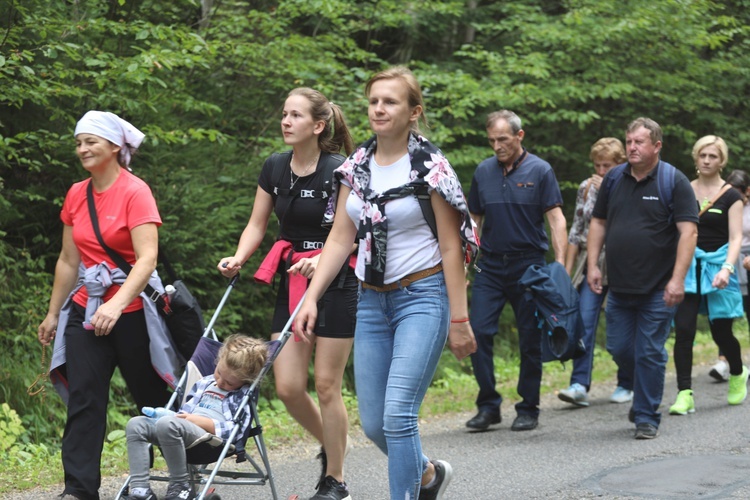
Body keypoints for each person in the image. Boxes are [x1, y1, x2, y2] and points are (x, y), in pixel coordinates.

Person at [294, 66, 477, 500]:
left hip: (423, 296)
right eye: (374, 100)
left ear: (414, 112)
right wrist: (311, 297)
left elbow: (452, 249)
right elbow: (340, 236)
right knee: (375, 423)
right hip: (371, 300)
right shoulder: (356, 166)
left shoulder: (430, 168)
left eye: (390, 101)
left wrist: (459, 318)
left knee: (398, 418)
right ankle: (428, 476)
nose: (379, 108)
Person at [217, 88, 356, 500]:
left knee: (327, 385)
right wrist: (239, 256)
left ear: (318, 125)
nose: (286, 121)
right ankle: (335, 446)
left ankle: (335, 479)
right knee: (289, 386)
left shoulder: (341, 168)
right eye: (284, 114)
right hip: (292, 282)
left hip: (337, 282)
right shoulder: (275, 167)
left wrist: (322, 258)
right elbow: (257, 224)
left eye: (295, 115)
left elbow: (353, 233)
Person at [38, 111, 181, 500]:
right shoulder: (76, 193)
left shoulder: (136, 192)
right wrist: (54, 313)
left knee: (153, 400)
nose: (82, 149)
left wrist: (117, 305)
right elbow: (69, 261)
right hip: (86, 310)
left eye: (91, 141)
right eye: (79, 142)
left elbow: (146, 259)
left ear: (115, 147)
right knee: (84, 397)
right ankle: (79, 490)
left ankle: (186, 480)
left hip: (133, 314)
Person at [587, 117, 698, 439]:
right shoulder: (613, 179)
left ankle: (647, 415)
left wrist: (677, 280)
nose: (632, 147)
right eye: (629, 141)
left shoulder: (673, 181)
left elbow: (688, 232)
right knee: (620, 348)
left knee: (649, 351)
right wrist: (594, 265)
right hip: (619, 286)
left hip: (658, 288)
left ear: (657, 146)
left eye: (639, 142)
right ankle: (644, 397)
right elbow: (598, 222)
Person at [466, 110, 567, 432]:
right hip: (491, 266)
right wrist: (465, 263)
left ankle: (528, 407)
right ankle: (488, 406)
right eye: (492, 140)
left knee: (529, 338)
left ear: (519, 136)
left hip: (529, 265)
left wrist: (560, 267)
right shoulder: (483, 172)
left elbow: (556, 219)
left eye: (503, 139)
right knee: (478, 333)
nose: (497, 146)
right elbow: (473, 221)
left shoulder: (541, 170)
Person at [123, 334, 268, 500]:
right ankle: (140, 490)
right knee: (136, 424)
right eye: (219, 373)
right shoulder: (204, 383)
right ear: (218, 360)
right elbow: (185, 412)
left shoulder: (242, 396)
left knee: (168, 424)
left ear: (246, 381)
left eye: (229, 383)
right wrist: (175, 417)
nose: (220, 383)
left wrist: (196, 421)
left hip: (210, 440)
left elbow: (233, 432)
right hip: (180, 431)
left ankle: (180, 486)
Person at [669, 136, 748, 415]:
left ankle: (738, 373)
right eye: (702, 155)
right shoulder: (683, 190)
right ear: (695, 157)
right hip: (689, 267)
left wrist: (727, 268)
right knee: (685, 330)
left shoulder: (731, 196)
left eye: (713, 156)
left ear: (722, 161)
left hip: (719, 267)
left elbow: (736, 237)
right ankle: (684, 393)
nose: (706, 160)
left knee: (721, 332)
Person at [558, 138, 633, 407]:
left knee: (620, 325)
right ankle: (579, 384)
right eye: (597, 165)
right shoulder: (586, 188)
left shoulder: (629, 187)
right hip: (591, 265)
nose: (601, 171)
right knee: (584, 321)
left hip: (622, 264)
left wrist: (611, 192)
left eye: (607, 166)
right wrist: (565, 274)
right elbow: (576, 231)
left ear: (620, 164)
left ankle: (627, 382)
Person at [710, 169, 750, 381]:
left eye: (737, 192)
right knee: (724, 314)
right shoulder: (722, 205)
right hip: (727, 262)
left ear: (747, 192)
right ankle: (724, 361)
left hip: (748, 262)